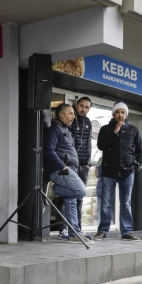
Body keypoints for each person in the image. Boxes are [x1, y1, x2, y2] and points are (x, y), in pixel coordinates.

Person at [94, 101, 142, 241]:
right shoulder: (105, 129)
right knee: (106, 202)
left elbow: (141, 151)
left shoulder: (133, 130)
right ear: (113, 114)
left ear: (126, 114)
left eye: (123, 112)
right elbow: (101, 145)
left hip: (128, 171)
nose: (120, 115)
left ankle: (126, 231)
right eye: (117, 112)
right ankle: (103, 230)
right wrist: (115, 132)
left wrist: (136, 166)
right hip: (109, 171)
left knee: (126, 202)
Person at [44, 104, 91, 244]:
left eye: (73, 114)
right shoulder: (55, 130)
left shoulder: (66, 130)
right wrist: (62, 166)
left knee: (71, 198)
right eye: (70, 114)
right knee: (81, 191)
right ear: (61, 115)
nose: (73, 117)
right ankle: (54, 188)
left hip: (70, 169)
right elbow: (48, 150)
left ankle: (74, 233)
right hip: (61, 170)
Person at [69, 97, 93, 239]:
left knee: (80, 197)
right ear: (76, 105)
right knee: (68, 197)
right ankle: (64, 229)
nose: (83, 109)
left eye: (86, 107)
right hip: (71, 165)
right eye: (81, 106)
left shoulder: (88, 122)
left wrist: (88, 162)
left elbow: (89, 142)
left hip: (84, 165)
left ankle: (78, 229)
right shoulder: (71, 120)